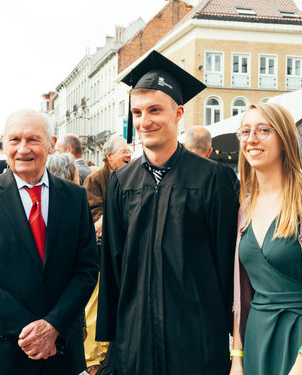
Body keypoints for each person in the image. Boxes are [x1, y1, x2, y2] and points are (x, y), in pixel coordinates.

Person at [96, 50, 239, 375]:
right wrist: (114, 340)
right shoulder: (121, 182)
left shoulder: (213, 179)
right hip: (136, 336)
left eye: (155, 110)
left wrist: (233, 337)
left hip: (196, 338)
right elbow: (113, 262)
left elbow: (226, 262)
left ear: (178, 113)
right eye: (137, 112)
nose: (144, 121)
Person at [230, 103, 302, 375]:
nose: (251, 139)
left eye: (263, 130)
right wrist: (237, 357)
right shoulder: (245, 207)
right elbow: (242, 295)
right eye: (245, 131)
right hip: (258, 340)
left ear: (284, 139)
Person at [0, 109, 99, 374]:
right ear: (4, 142)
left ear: (51, 144)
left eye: (33, 139)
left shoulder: (76, 197)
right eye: (14, 140)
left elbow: (87, 270)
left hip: (61, 352)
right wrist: (34, 332)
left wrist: (54, 326)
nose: (23, 149)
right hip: (3, 351)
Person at [82, 136, 131, 374]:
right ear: (109, 156)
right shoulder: (95, 179)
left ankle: (111, 354)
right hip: (101, 251)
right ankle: (93, 360)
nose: (128, 155)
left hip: (125, 251)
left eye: (129, 151)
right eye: (123, 151)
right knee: (96, 305)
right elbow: (94, 221)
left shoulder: (130, 176)